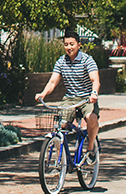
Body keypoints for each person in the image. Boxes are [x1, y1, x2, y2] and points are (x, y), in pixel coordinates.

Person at [34, 31, 100, 163]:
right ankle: (61, 160)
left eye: (71, 44)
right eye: (66, 44)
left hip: (87, 99)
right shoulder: (61, 61)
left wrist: (94, 93)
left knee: (91, 118)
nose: (69, 47)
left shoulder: (87, 60)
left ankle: (91, 147)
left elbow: (95, 80)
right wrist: (43, 93)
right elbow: (53, 82)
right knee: (60, 126)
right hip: (69, 99)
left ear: (79, 45)